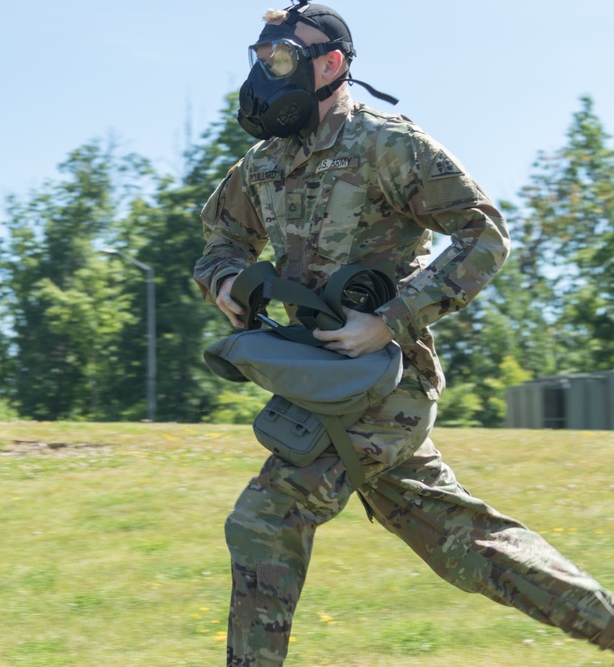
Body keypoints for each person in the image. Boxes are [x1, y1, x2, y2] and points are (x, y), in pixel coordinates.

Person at [192, 3, 614, 665]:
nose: (265, 72)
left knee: (266, 519)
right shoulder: (264, 163)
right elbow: (219, 239)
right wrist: (224, 281)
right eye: (261, 57)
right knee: (468, 548)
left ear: (330, 64)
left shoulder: (388, 146)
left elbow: (485, 235)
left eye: (282, 59)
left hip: (387, 384)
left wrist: (389, 318)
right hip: (324, 385)